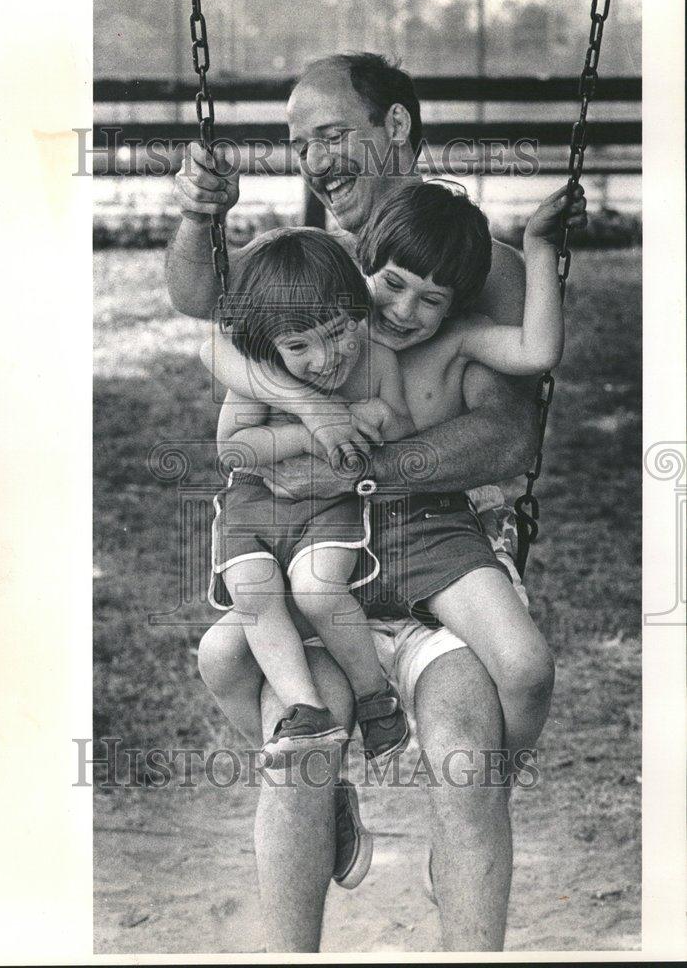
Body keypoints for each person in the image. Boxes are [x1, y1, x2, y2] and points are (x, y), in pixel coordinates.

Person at [166, 52, 587, 951]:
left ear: (394, 127)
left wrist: (352, 470)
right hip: (313, 552)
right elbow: (200, 300)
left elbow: (509, 437)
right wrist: (199, 213)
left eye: (331, 135)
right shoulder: (315, 263)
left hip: (437, 551)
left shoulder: (480, 267)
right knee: (299, 756)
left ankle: (461, 873)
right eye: (298, 145)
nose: (314, 160)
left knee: (468, 754)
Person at [204, 177, 575, 776]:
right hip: (314, 533)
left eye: (432, 300)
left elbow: (537, 353)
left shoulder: (455, 341)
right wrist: (314, 410)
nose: (404, 311)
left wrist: (538, 245)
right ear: (362, 265)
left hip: (417, 530)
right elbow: (217, 344)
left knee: (527, 667)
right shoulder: (330, 318)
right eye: (393, 284)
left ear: (455, 306)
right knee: (221, 653)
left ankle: (492, 784)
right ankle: (320, 775)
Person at [209, 227, 412, 767]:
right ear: (267, 345)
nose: (324, 359)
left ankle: (375, 698)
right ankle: (305, 709)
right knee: (255, 594)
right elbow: (232, 451)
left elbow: (397, 423)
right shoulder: (260, 377)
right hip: (254, 507)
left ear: (358, 313)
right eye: (299, 345)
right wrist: (306, 431)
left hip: (327, 507)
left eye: (337, 332)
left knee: (318, 591)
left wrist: (375, 420)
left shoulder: (375, 363)